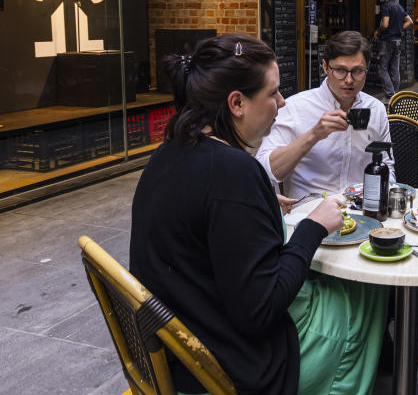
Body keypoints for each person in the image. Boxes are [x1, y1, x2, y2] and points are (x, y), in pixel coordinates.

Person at [131, 34, 386, 395]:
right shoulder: (233, 171)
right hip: (230, 363)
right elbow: (261, 310)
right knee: (365, 288)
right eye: (273, 93)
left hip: (183, 338)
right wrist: (312, 228)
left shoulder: (170, 151)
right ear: (237, 103)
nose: (281, 104)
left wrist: (262, 205)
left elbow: (213, 225)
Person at [256, 31, 395, 198]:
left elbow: (387, 163)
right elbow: (264, 171)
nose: (349, 80)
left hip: (363, 212)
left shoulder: (376, 109)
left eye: (357, 71)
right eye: (340, 70)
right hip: (309, 214)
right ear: (325, 67)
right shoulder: (295, 107)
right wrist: (313, 135)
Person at [373, 0, 413, 98]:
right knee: (395, 69)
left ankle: (390, 94)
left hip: (387, 41)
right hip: (398, 41)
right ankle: (395, 94)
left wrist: (377, 31)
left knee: (383, 69)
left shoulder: (386, 6)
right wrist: (399, 29)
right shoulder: (399, 6)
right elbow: (409, 21)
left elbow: (385, 24)